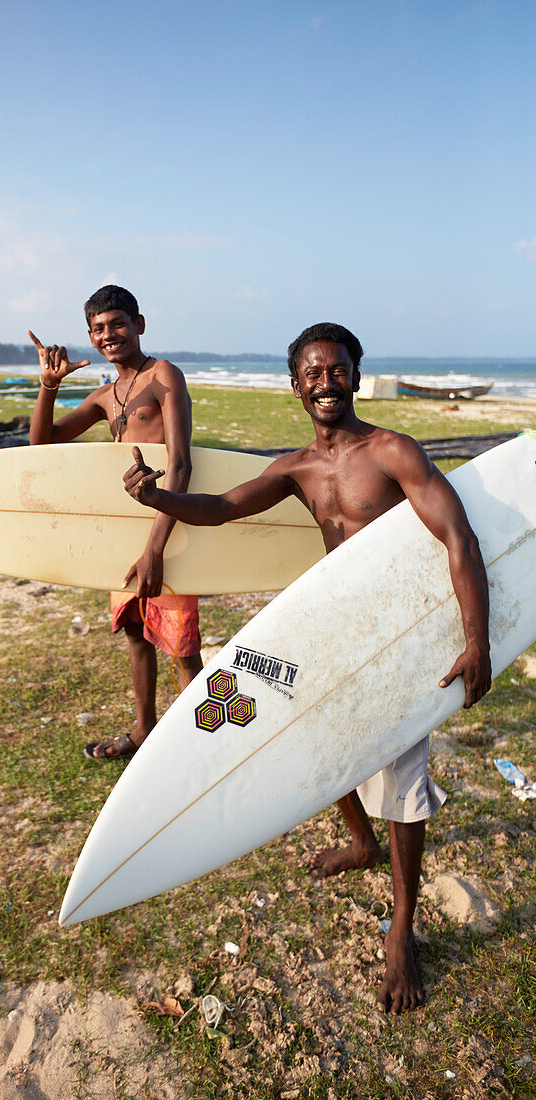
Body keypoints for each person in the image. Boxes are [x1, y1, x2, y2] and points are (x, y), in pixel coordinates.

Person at [123, 321, 491, 1014]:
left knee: (402, 784)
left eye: (336, 369)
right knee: (314, 746)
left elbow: (457, 536)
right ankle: (359, 841)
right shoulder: (295, 468)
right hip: (334, 629)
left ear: (354, 373)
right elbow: (221, 508)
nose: (325, 382)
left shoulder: (390, 451)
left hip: (398, 638)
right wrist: (156, 500)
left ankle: (402, 931)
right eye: (311, 373)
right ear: (295, 385)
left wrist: (476, 642)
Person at [29, 285, 203, 761]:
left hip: (167, 527)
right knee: (135, 631)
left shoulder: (164, 374)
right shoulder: (105, 397)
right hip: (124, 530)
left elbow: (182, 465)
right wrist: (49, 386)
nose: (110, 335)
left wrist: (155, 550)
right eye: (99, 329)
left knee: (182, 644)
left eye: (119, 324)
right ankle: (145, 730)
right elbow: (42, 446)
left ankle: (207, 746)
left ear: (139, 325)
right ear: (90, 336)